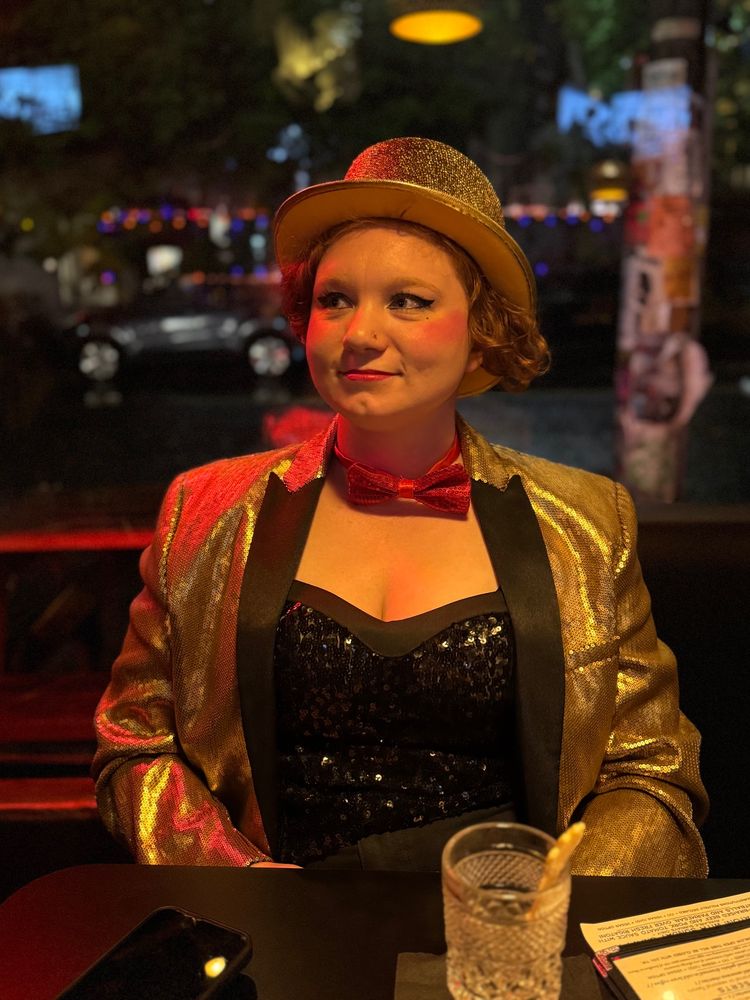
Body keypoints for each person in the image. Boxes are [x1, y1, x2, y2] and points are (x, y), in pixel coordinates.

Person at [92, 137, 708, 876]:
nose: (360, 334)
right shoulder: (204, 509)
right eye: (335, 300)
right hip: (279, 941)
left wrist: (548, 907)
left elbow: (652, 773)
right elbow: (134, 745)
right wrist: (243, 884)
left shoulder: (587, 520)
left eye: (408, 301)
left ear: (484, 331)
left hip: (504, 941)